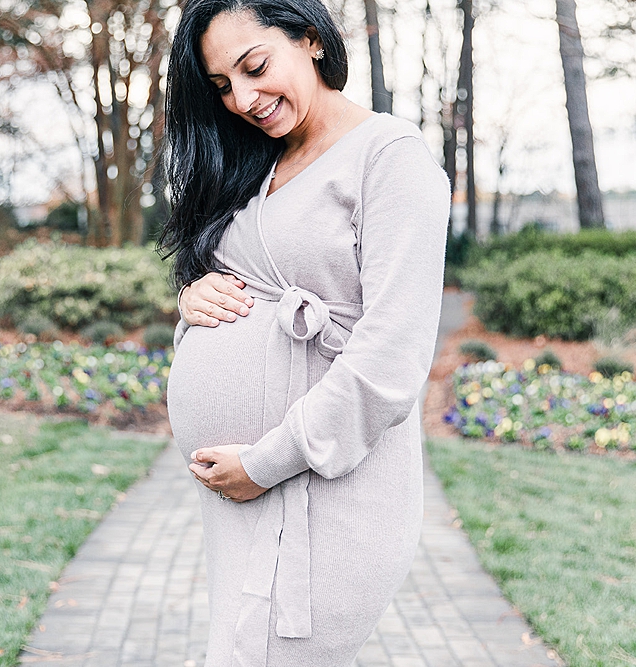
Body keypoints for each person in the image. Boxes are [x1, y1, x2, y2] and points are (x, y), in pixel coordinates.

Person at [157, 1, 451, 665]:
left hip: (328, 484)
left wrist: (265, 462)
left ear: (310, 38)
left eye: (255, 67)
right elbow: (246, 273)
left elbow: (391, 359)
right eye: (224, 86)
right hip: (245, 499)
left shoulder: (391, 158)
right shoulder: (259, 164)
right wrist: (195, 295)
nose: (244, 98)